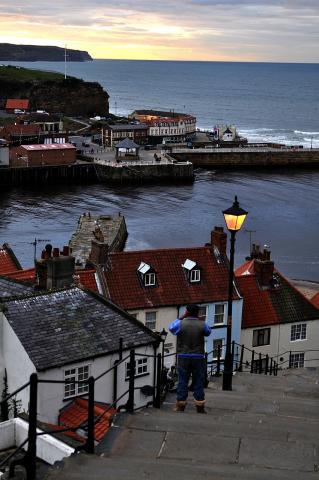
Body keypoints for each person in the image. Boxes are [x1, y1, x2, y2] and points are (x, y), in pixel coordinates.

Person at [169, 304, 211, 413]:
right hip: (198, 356)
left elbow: (171, 328)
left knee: (183, 380)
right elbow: (208, 332)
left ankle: (180, 405)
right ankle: (200, 406)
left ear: (187, 312)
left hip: (183, 356)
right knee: (198, 381)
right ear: (197, 313)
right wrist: (200, 320)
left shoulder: (180, 324)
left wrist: (181, 317)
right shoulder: (202, 324)